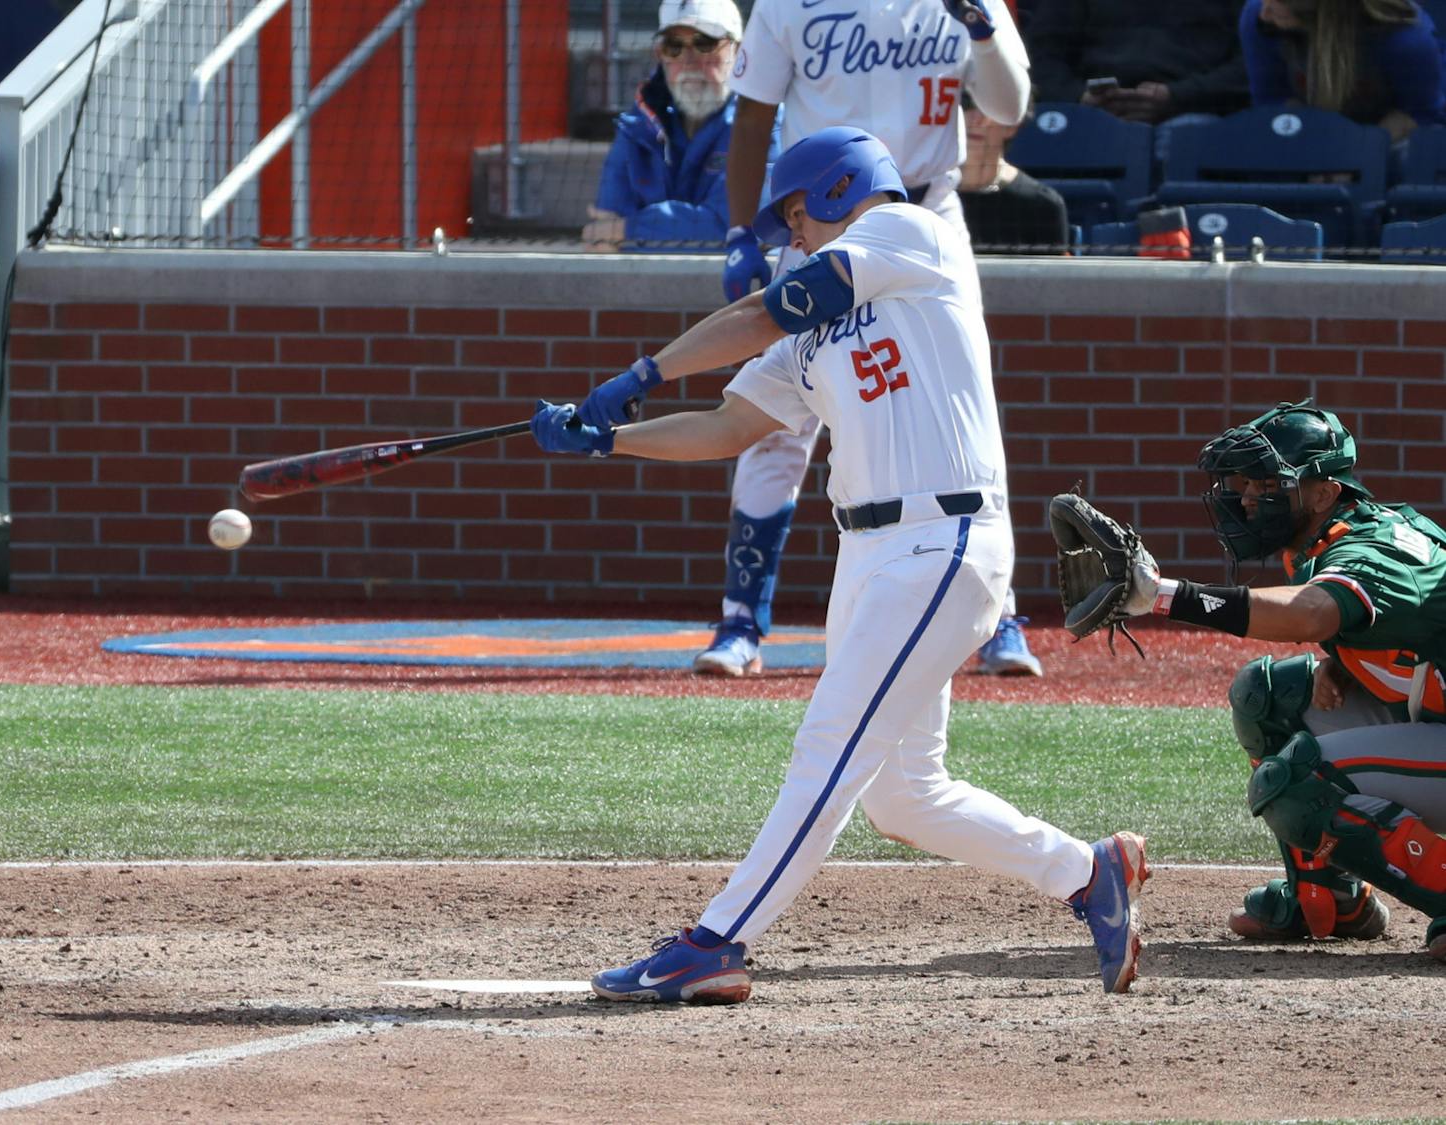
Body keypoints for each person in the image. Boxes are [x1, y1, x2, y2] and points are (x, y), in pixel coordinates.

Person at [533, 127, 1149, 1002]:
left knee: (829, 745)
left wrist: (643, 369)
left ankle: (717, 941)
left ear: (836, 189)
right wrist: (611, 441)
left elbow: (758, 314)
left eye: (796, 213)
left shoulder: (910, 234)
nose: (791, 235)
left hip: (946, 540)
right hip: (867, 553)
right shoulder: (810, 330)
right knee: (906, 795)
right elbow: (728, 428)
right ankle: (1090, 873)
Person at [693, 0, 1046, 678]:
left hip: (925, 208)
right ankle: (741, 618)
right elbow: (756, 111)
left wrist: (981, 23)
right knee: (778, 419)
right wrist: (743, 231)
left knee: (962, 402)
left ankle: (996, 611)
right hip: (818, 222)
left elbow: (1008, 105)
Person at [1102, 400, 1446, 956]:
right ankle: (1330, 899)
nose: (1245, 499)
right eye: (1244, 484)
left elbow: (1309, 613)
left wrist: (1164, 597)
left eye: (1265, 485)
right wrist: (1349, 655)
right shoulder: (1331, 536)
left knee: (1292, 782)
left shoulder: (1374, 550)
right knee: (1268, 695)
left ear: (1322, 493)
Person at [582, 0, 768, 252]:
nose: (689, 62)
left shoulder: (762, 124)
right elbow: (602, 234)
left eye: (705, 44)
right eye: (674, 47)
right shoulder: (637, 126)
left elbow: (737, 227)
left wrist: (626, 230)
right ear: (660, 55)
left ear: (738, 51)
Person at [1024, 0, 1250, 154]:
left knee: (1189, 138)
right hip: (1092, 113)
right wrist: (1079, 97)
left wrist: (1178, 96)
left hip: (1192, 112)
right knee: (1052, 133)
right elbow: (1040, 57)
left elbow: (1251, 65)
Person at [1239, 0, 1446, 144]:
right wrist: (1315, 148)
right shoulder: (1258, 18)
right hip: (1307, 131)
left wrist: (1355, 152)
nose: (1263, 14)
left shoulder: (1406, 40)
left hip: (1385, 135)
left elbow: (1419, 113)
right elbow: (1273, 100)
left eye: (1277, 5)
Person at [958, 96, 1072, 253]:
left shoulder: (1042, 205)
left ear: (1012, 125)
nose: (978, 119)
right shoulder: (922, 191)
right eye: (966, 105)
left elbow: (1054, 275)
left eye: (990, 109)